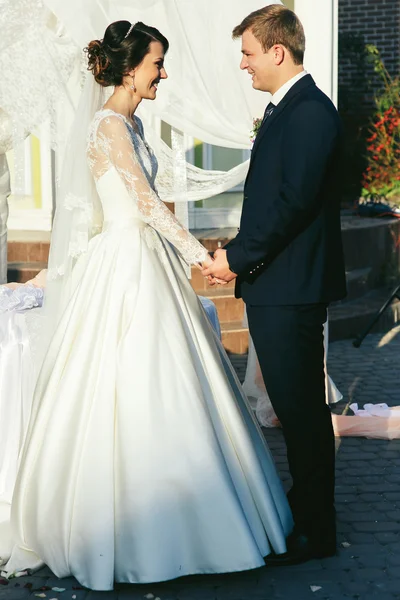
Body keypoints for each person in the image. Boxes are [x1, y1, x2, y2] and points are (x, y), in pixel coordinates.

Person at [0, 20, 293, 590]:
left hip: (147, 261)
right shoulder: (108, 125)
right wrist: (202, 256)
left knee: (173, 379)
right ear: (131, 68)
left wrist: (198, 253)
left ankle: (196, 525)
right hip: (126, 263)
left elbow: (156, 201)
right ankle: (136, 533)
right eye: (158, 62)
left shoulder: (132, 123)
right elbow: (148, 205)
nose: (164, 72)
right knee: (128, 382)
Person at [203, 5, 346, 565]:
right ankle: (305, 510)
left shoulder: (309, 113)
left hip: (291, 289)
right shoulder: (289, 109)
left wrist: (236, 258)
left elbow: (290, 205)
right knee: (294, 407)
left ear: (277, 52)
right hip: (280, 286)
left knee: (302, 412)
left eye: (248, 53)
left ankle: (316, 532)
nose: (244, 64)